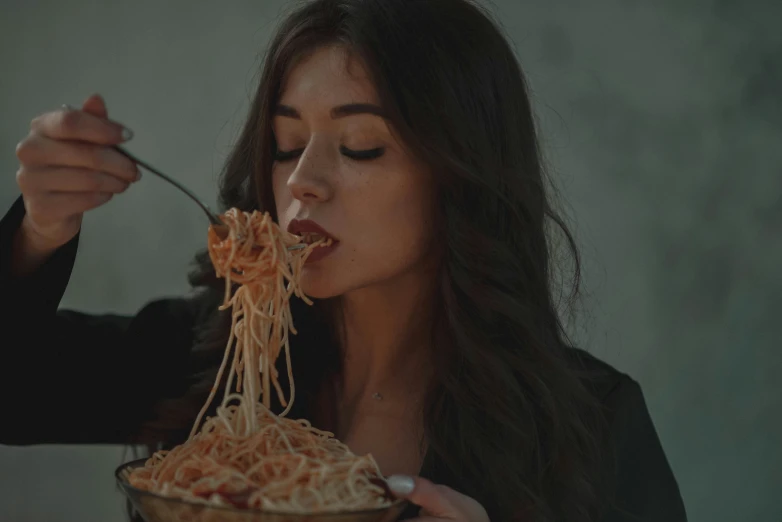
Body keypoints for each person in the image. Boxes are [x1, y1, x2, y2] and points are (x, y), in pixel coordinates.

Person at [0, 0, 688, 520]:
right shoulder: (210, 358)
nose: (303, 179)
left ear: (460, 174)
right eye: (284, 143)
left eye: (360, 145)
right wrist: (41, 228)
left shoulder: (591, 424)